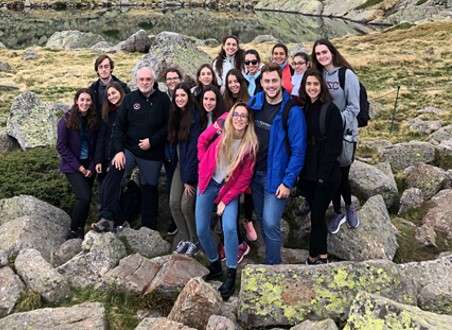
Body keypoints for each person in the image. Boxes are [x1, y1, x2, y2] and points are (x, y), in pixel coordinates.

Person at [95, 65, 170, 231]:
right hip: (129, 150)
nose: (145, 82)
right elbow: (119, 128)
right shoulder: (130, 99)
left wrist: (152, 141)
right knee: (114, 172)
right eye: (141, 79)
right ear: (136, 81)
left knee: (149, 187)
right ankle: (107, 217)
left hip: (152, 153)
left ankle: (148, 228)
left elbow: (168, 126)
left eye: (148, 79)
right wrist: (119, 151)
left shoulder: (163, 99)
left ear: (154, 81)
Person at [196, 102, 258, 301]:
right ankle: (215, 265)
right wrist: (203, 164)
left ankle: (231, 273)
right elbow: (201, 141)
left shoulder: (250, 145)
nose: (239, 118)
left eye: (243, 116)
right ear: (231, 116)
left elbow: (244, 179)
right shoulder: (222, 126)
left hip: (228, 189)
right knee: (202, 229)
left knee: (230, 228)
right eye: (236, 115)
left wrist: (225, 199)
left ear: (248, 121)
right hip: (208, 182)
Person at [248, 64, 307, 265]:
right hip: (254, 176)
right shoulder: (254, 103)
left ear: (281, 81)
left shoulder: (292, 111)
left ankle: (273, 265)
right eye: (267, 81)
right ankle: (269, 255)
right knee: (262, 221)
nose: (271, 85)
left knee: (271, 222)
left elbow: (299, 150)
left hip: (277, 179)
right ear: (261, 82)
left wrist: (288, 182)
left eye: (274, 80)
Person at [312, 39, 361, 233]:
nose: (322, 56)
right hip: (325, 136)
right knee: (330, 173)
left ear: (332, 52)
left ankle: (349, 207)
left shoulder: (346, 75)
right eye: (318, 54)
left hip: (345, 134)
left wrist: (334, 122)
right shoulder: (319, 75)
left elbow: (354, 107)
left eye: (324, 52)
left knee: (342, 174)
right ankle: (338, 211)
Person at [297, 69, 343, 265]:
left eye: (315, 84)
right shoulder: (305, 107)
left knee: (317, 214)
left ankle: (317, 256)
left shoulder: (330, 110)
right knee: (316, 216)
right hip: (309, 173)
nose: (312, 88)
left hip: (326, 174)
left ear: (321, 86)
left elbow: (335, 147)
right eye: (308, 84)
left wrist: (323, 176)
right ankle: (318, 255)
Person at [56, 89, 99, 239]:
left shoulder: (93, 120)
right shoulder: (65, 120)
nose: (85, 103)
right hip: (72, 166)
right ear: (76, 101)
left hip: (89, 166)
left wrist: (92, 167)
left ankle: (80, 229)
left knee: (86, 200)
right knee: (84, 197)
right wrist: (79, 167)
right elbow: (61, 146)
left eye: (88, 100)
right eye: (82, 100)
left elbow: (97, 146)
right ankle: (73, 229)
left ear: (91, 102)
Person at [167, 83, 202, 256]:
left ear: (189, 96)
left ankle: (195, 240)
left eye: (183, 95)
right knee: (174, 204)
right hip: (180, 166)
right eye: (177, 96)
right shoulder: (175, 115)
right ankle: (186, 237)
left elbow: (194, 151)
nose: (180, 99)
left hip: (192, 168)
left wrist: (189, 179)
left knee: (186, 205)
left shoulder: (194, 117)